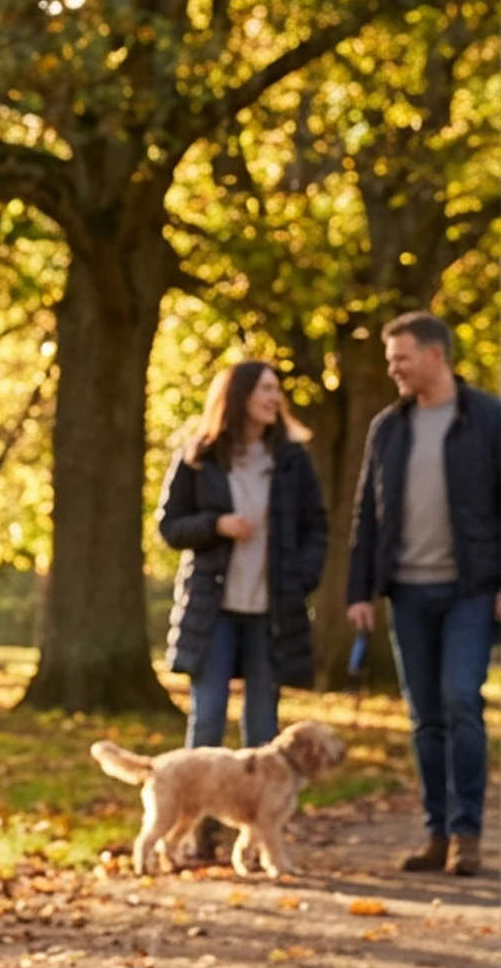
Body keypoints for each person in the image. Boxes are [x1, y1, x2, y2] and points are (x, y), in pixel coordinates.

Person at [344, 312, 501, 878]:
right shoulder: (388, 427)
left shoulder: (487, 418)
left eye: (401, 358)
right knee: (424, 716)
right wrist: (359, 590)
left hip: (470, 589)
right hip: (407, 591)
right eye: (390, 360)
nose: (394, 369)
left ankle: (467, 834)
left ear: (435, 355)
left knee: (461, 699)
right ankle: (436, 831)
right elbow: (367, 512)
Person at [157, 360, 328, 795]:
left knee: (262, 728)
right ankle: (199, 830)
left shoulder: (292, 459)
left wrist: (302, 578)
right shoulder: (199, 456)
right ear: (239, 396)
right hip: (213, 611)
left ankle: (256, 837)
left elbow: (316, 526)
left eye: (277, 390)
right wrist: (217, 525)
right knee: (208, 717)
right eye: (266, 390)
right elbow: (169, 527)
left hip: (270, 612)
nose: (275, 399)